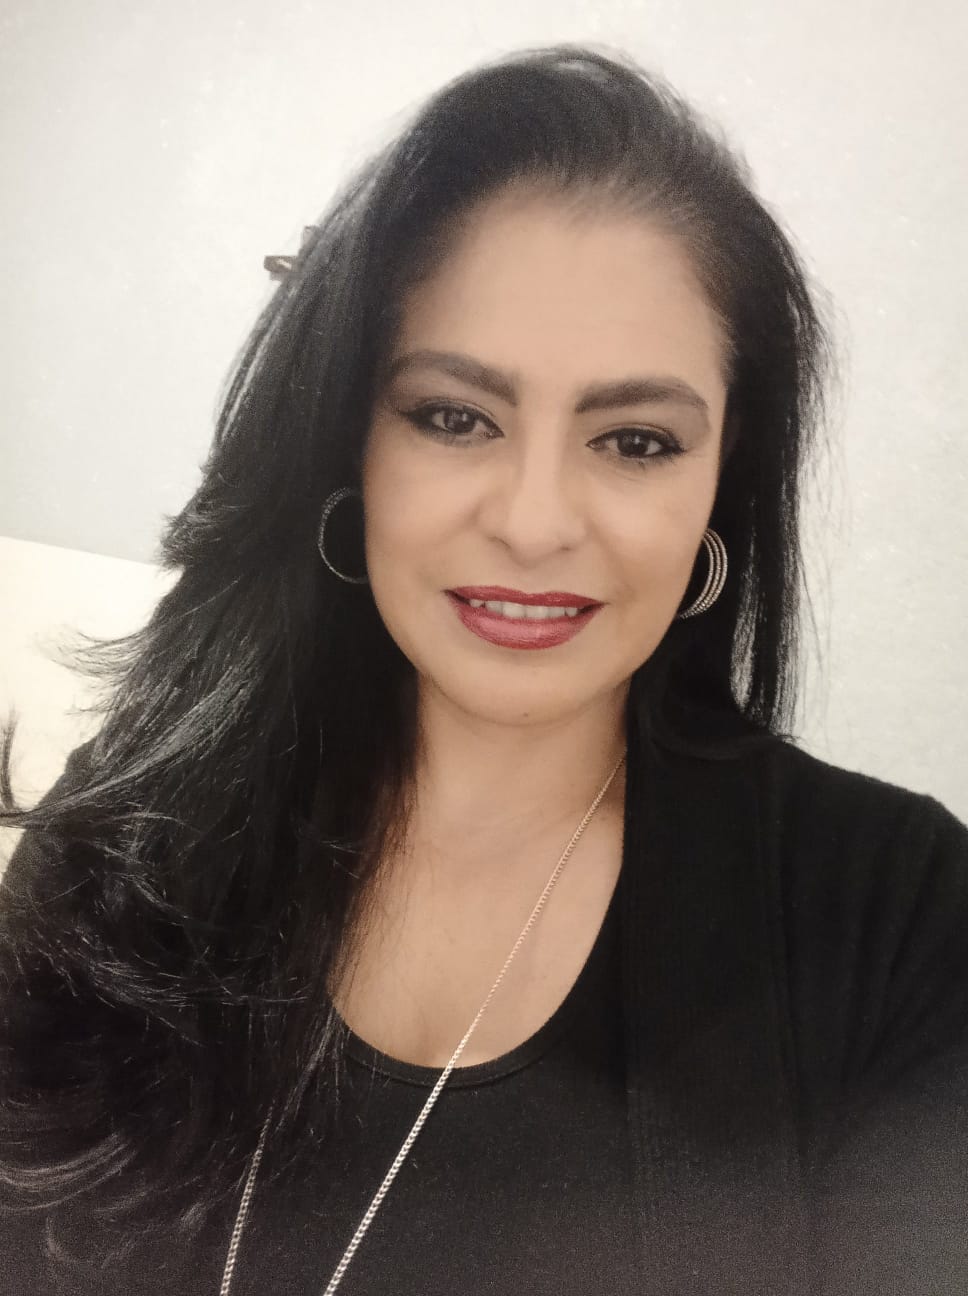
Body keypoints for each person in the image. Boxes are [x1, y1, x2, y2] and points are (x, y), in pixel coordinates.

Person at [1, 41, 966, 1296]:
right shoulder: (127, 831)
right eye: (453, 416)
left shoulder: (894, 918)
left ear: (721, 482)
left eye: (633, 439)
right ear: (348, 438)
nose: (532, 520)